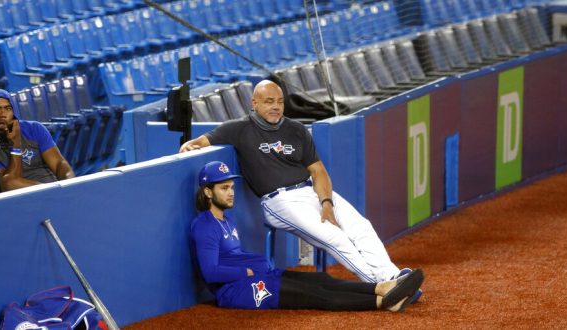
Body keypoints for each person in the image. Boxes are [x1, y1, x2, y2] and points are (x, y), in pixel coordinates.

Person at [180, 80, 420, 289]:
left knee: (361, 227)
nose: (276, 107)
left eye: (280, 101)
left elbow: (318, 171)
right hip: (279, 200)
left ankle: (392, 275)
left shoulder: (296, 130)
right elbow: (201, 141)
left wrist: (326, 202)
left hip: (311, 192)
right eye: (268, 102)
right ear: (254, 103)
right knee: (336, 238)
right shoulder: (238, 129)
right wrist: (190, 145)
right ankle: (382, 285)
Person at [190, 161, 424, 311]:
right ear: (208, 192)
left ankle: (382, 287)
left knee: (322, 280)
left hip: (261, 275)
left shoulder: (225, 220)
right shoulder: (204, 226)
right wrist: (247, 271)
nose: (231, 193)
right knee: (316, 295)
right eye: (224, 188)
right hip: (239, 290)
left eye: (231, 187)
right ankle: (383, 302)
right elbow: (210, 272)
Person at [0, 89, 74, 195]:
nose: (2, 114)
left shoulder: (34, 129)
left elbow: (59, 164)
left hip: (55, 192)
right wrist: (16, 145)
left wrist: (69, 183)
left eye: (7, 108)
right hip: (21, 203)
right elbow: (8, 185)